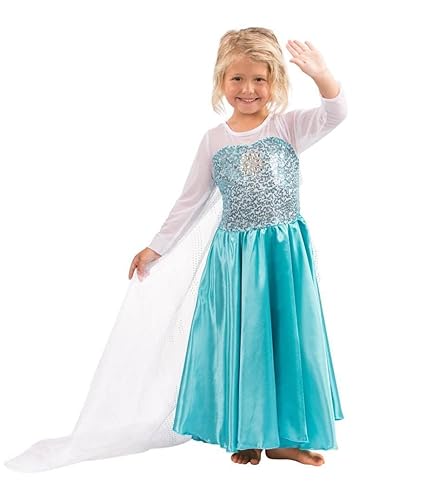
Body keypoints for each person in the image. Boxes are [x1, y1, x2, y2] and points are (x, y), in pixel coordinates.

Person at [4, 27, 347, 472]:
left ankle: (284, 439)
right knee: (247, 343)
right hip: (236, 262)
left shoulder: (287, 127)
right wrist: (156, 248)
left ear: (276, 81)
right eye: (237, 78)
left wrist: (322, 75)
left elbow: (336, 113)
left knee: (287, 339)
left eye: (259, 79)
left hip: (283, 257)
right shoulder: (215, 140)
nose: (248, 89)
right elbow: (190, 201)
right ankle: (247, 433)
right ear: (221, 80)